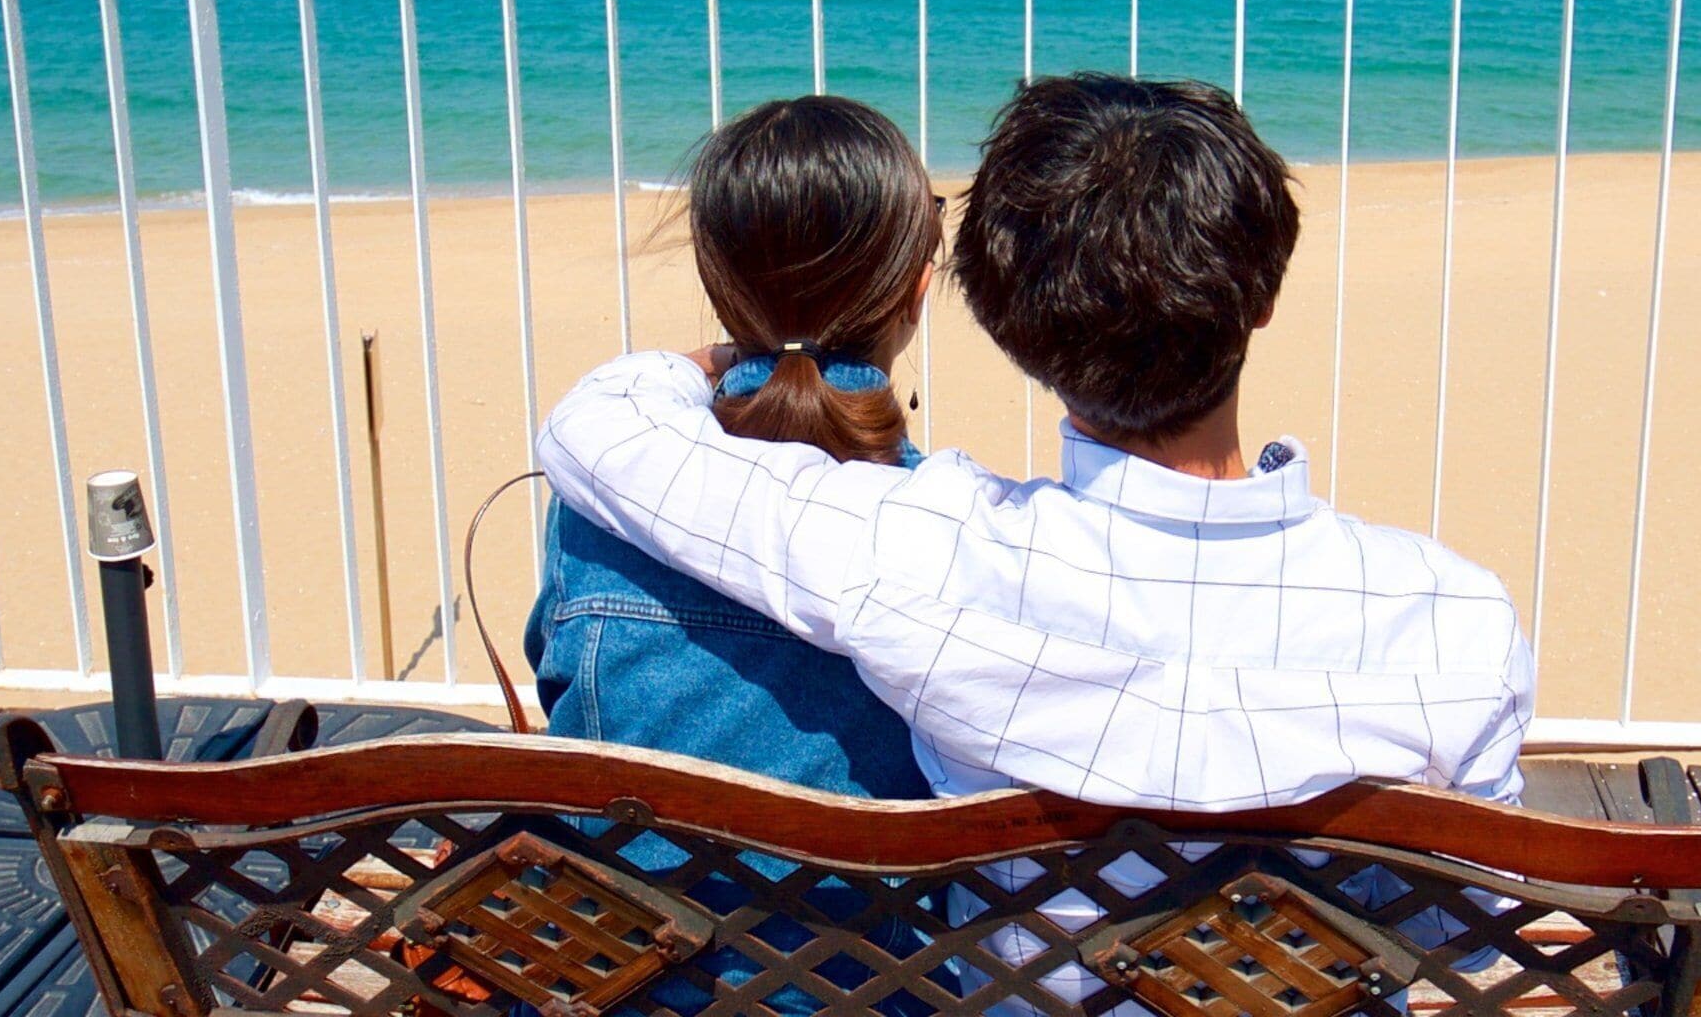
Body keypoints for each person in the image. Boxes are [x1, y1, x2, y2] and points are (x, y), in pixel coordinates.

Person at [537, 72, 1533, 811]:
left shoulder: (925, 555)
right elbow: (1470, 916)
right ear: (1263, 294)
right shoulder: (1457, 624)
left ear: (1008, 323)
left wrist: (709, 360)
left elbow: (601, 437)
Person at [522, 93, 937, 799]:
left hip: (608, 905)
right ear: (916, 290)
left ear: (719, 286)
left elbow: (553, 673)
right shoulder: (949, 534)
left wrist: (730, 353)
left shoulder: (599, 499)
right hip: (851, 912)